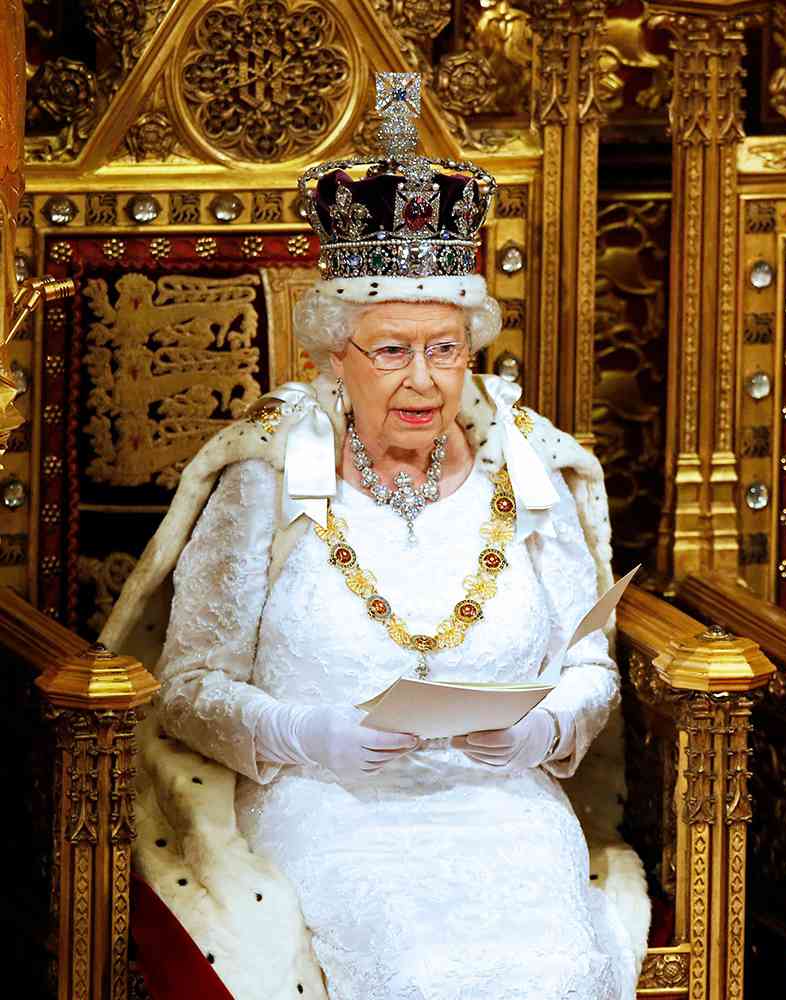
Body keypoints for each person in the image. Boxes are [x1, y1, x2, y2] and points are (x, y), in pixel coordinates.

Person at [100, 74, 640, 999]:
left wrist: (546, 729)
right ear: (332, 353)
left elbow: (592, 664)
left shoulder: (529, 475)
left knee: (553, 964)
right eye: (390, 349)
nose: (423, 381)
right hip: (325, 802)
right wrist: (307, 736)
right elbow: (187, 688)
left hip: (502, 807)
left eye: (444, 348)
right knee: (418, 966)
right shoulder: (264, 480)